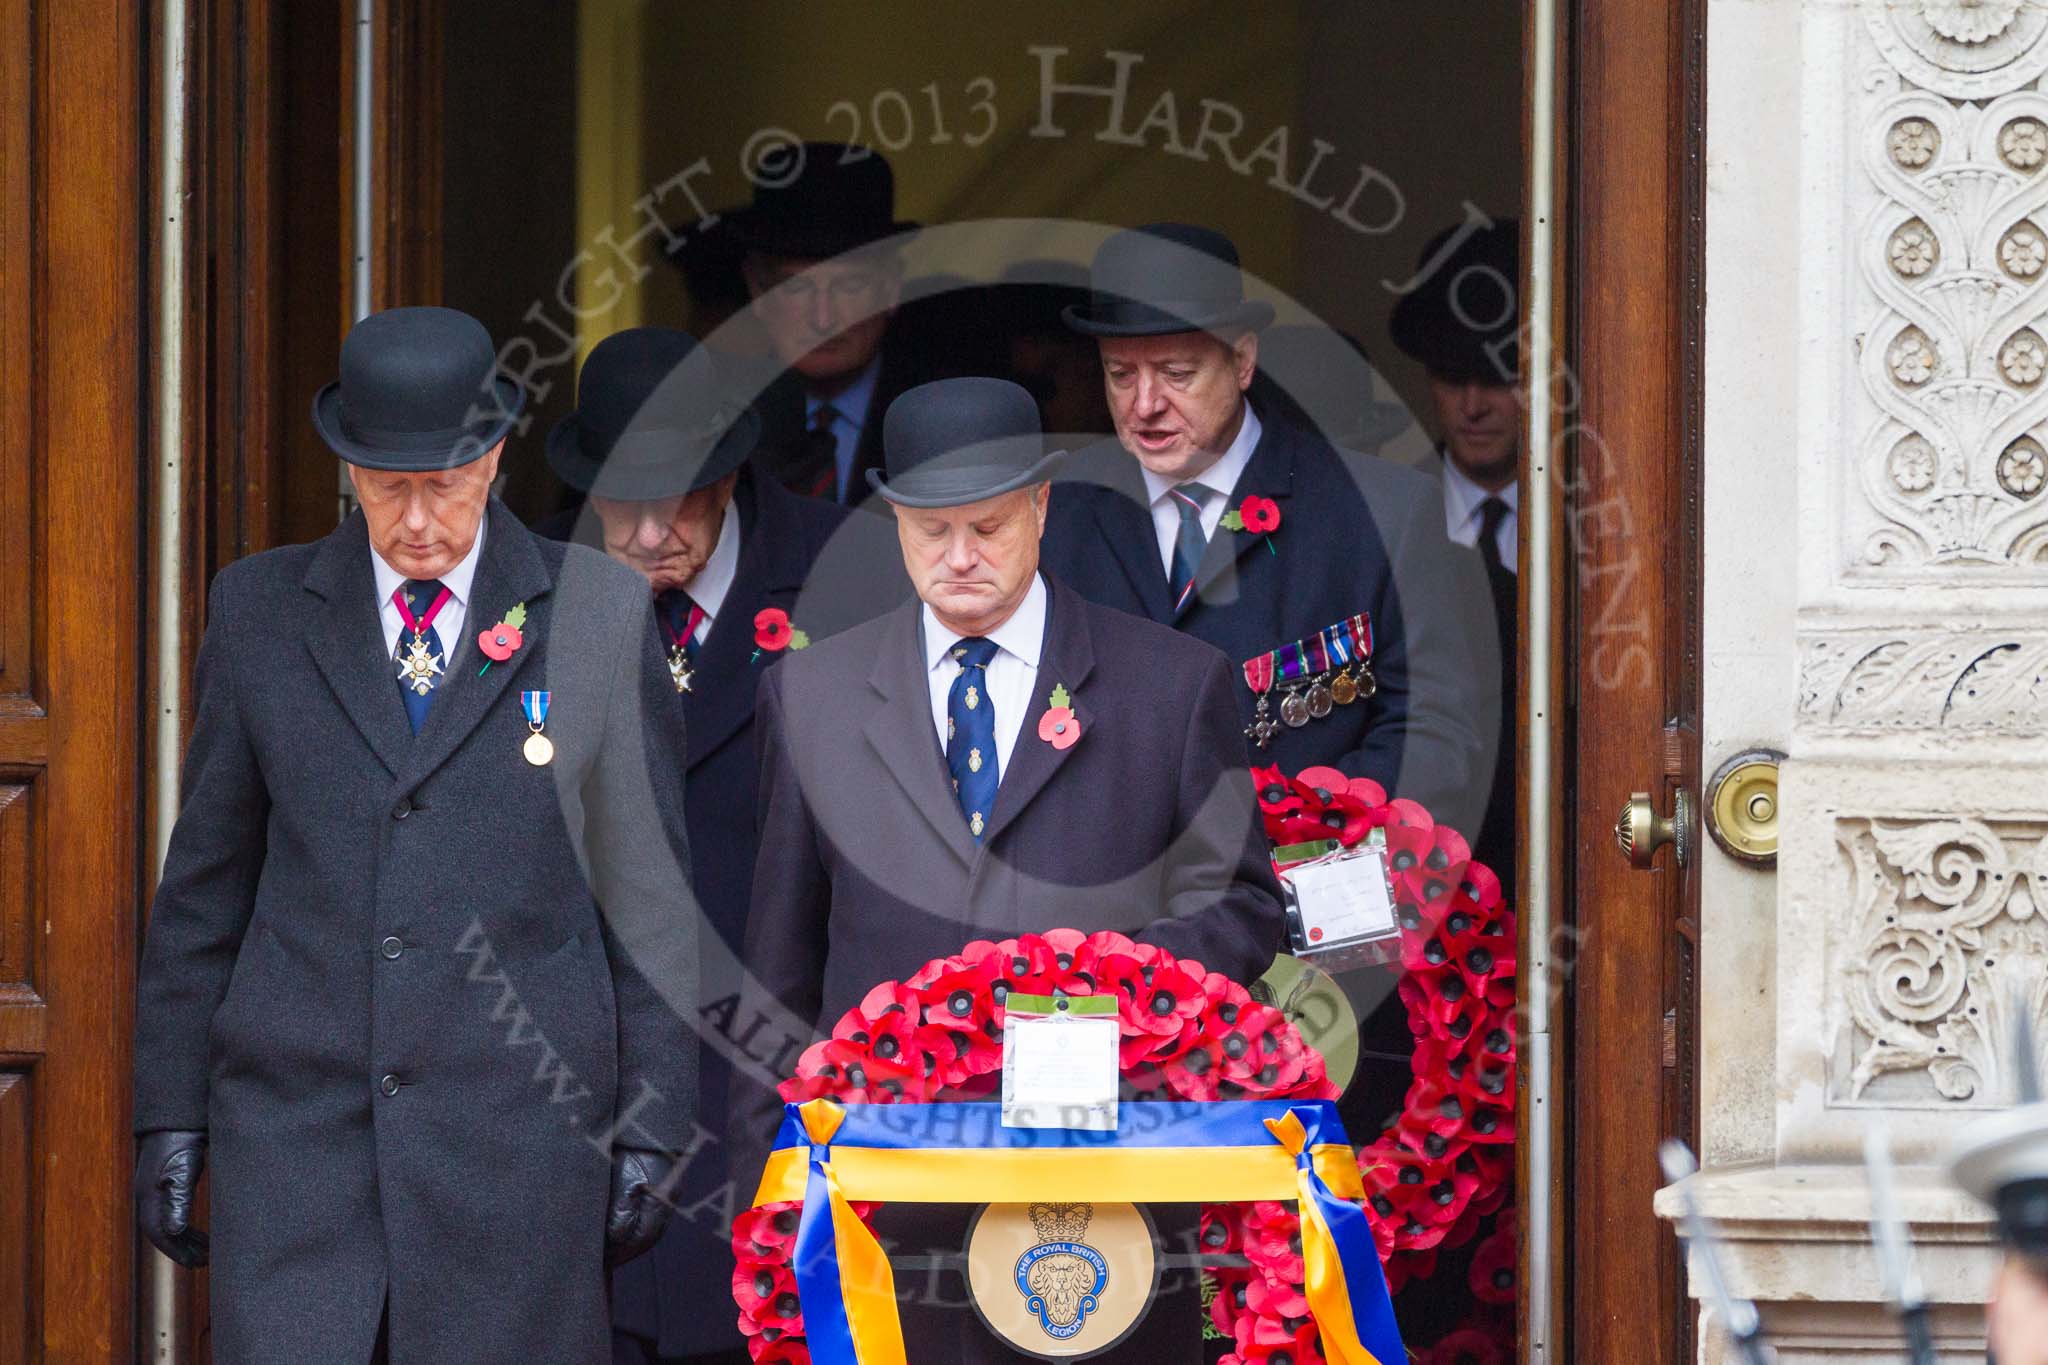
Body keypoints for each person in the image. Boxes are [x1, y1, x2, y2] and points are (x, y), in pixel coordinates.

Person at [130, 306, 697, 1364]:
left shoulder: (599, 615)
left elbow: (649, 902)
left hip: (518, 1151)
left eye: (442, 482)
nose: (418, 521)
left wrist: (656, 1124)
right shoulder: (259, 612)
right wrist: (168, 1113)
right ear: (347, 468)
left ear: (491, 456)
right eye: (388, 486)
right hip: (299, 1148)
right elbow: (206, 887)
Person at [740, 376, 1285, 1362]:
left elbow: (1243, 909)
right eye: (927, 530)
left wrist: (1102, 986)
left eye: (985, 527)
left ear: (1040, 506)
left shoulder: (1171, 686)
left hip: (1106, 1198)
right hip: (886, 1223)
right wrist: (768, 1216)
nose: (957, 560)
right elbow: (779, 970)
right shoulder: (809, 696)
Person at [537, 325, 893, 1365]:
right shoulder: (527, 583)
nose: (647, 532)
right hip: (577, 1091)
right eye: (620, 502)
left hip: (769, 1074)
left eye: (680, 497)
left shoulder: (851, 575)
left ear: (732, 474)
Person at [1039, 222, 1487, 827]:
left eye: (1176, 373)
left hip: (1307, 892)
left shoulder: (1382, 512)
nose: (1144, 405)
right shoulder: (1055, 511)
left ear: (1243, 360)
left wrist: (1288, 837)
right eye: (1121, 374)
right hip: (1107, 911)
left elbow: (1434, 739)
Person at [1391, 217, 1522, 878]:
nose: (1473, 404)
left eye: (1499, 376)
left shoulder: (1603, 531)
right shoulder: (1383, 522)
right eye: (1451, 375)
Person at [730, 142, 934, 507]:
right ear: (756, 289)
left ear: (890, 287)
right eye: (796, 287)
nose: (823, 318)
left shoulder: (943, 421)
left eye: (850, 286)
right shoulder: (715, 425)